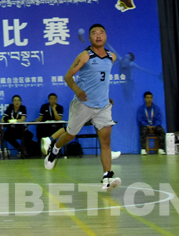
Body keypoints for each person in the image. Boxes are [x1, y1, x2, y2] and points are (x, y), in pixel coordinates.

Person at [43, 24, 122, 192]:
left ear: (106, 36)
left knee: (106, 140)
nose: (98, 36)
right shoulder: (85, 56)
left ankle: (107, 177)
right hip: (83, 104)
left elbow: (101, 80)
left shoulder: (112, 57)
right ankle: (55, 149)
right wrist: (77, 90)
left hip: (103, 106)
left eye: (101, 32)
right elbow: (68, 76)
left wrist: (105, 97)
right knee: (70, 134)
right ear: (90, 37)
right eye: (94, 33)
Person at [41, 98, 121, 161]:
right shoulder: (93, 90)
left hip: (83, 108)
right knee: (70, 129)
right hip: (84, 109)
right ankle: (108, 152)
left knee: (98, 125)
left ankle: (49, 139)